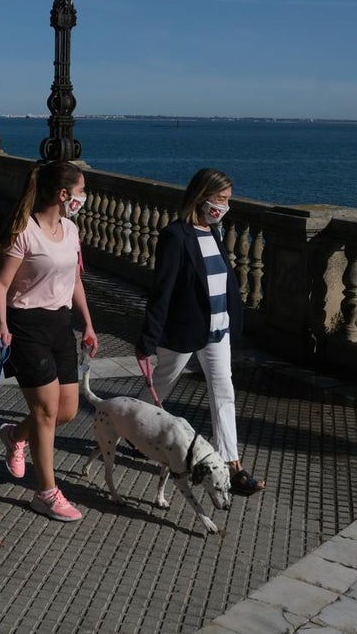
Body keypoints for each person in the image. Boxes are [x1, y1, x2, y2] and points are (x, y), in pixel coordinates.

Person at [135, 168, 265, 496]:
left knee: (224, 391)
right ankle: (133, 429)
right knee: (162, 383)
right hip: (186, 330)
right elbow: (162, 291)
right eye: (220, 198)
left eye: (228, 200)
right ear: (201, 196)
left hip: (218, 329)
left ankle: (232, 464)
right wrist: (148, 339)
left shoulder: (215, 232)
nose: (224, 206)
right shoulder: (175, 236)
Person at [0, 160, 98, 522]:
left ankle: (14, 436)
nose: (84, 197)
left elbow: (75, 280)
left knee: (66, 410)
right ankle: (46, 493)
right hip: (26, 326)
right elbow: (0, 284)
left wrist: (88, 324)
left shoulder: (71, 229)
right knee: (46, 412)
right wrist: (2, 324)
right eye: (81, 191)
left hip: (60, 325)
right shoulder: (25, 231)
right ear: (64, 194)